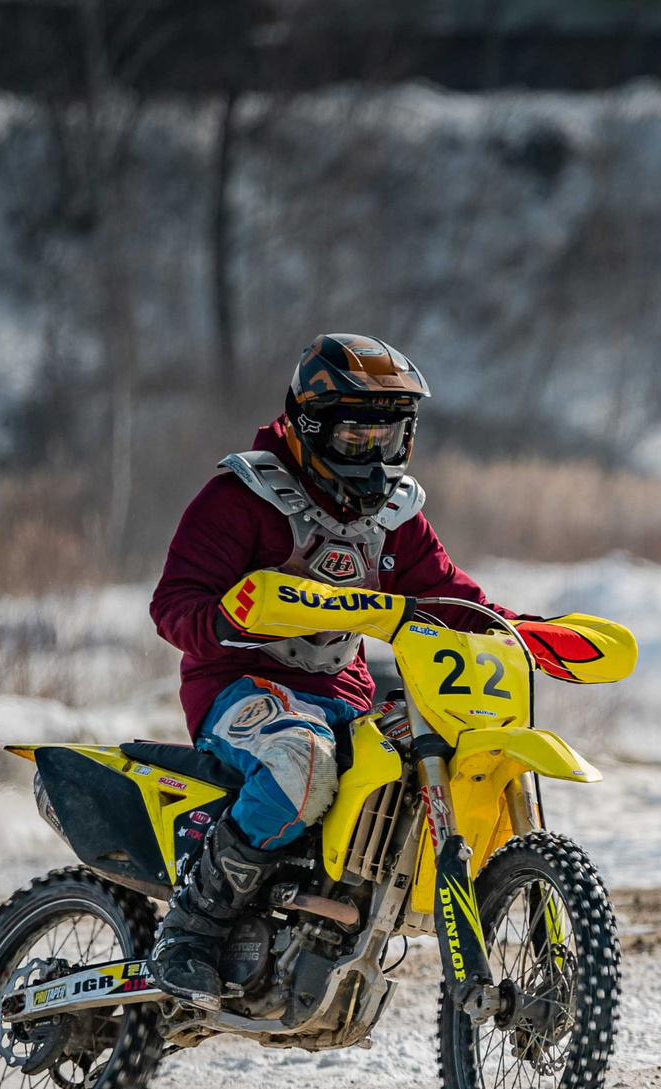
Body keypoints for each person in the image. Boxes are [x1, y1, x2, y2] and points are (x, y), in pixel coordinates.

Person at [146, 332, 517, 1001]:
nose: (374, 457)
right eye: (355, 437)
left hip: (343, 692)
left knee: (421, 756)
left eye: (388, 438)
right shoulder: (241, 496)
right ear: (310, 425)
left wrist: (523, 630)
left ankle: (335, 911)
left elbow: (449, 597)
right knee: (303, 761)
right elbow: (173, 604)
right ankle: (190, 928)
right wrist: (229, 619)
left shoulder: (396, 516)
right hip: (236, 686)